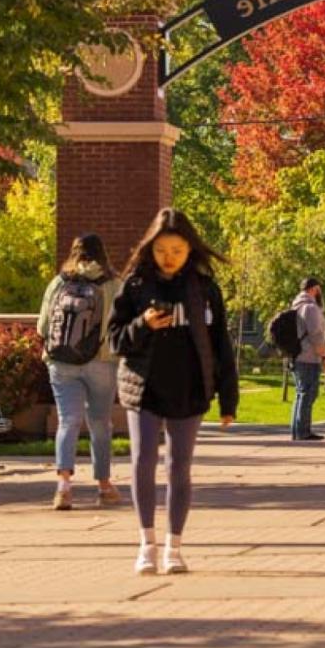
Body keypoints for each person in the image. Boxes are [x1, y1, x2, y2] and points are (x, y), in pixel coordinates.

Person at [109, 208, 238, 576]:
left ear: (189, 250)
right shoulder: (134, 286)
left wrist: (229, 399)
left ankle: (174, 547)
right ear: (150, 248)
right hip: (144, 387)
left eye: (178, 250)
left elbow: (220, 345)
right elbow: (115, 340)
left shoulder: (204, 289)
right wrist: (143, 324)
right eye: (162, 249)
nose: (169, 257)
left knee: (179, 466)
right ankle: (146, 544)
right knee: (142, 461)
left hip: (189, 388)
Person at [37, 233, 124, 511]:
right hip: (102, 361)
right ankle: (104, 485)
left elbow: (42, 327)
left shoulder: (58, 283)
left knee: (68, 421)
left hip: (61, 363)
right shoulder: (113, 284)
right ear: (102, 254)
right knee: (100, 423)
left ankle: (64, 487)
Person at [289, 277, 325, 442]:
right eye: (319, 289)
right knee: (308, 394)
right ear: (314, 289)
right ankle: (303, 432)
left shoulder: (296, 306)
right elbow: (316, 335)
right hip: (308, 357)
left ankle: (298, 431)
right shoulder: (311, 308)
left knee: (301, 394)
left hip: (297, 355)